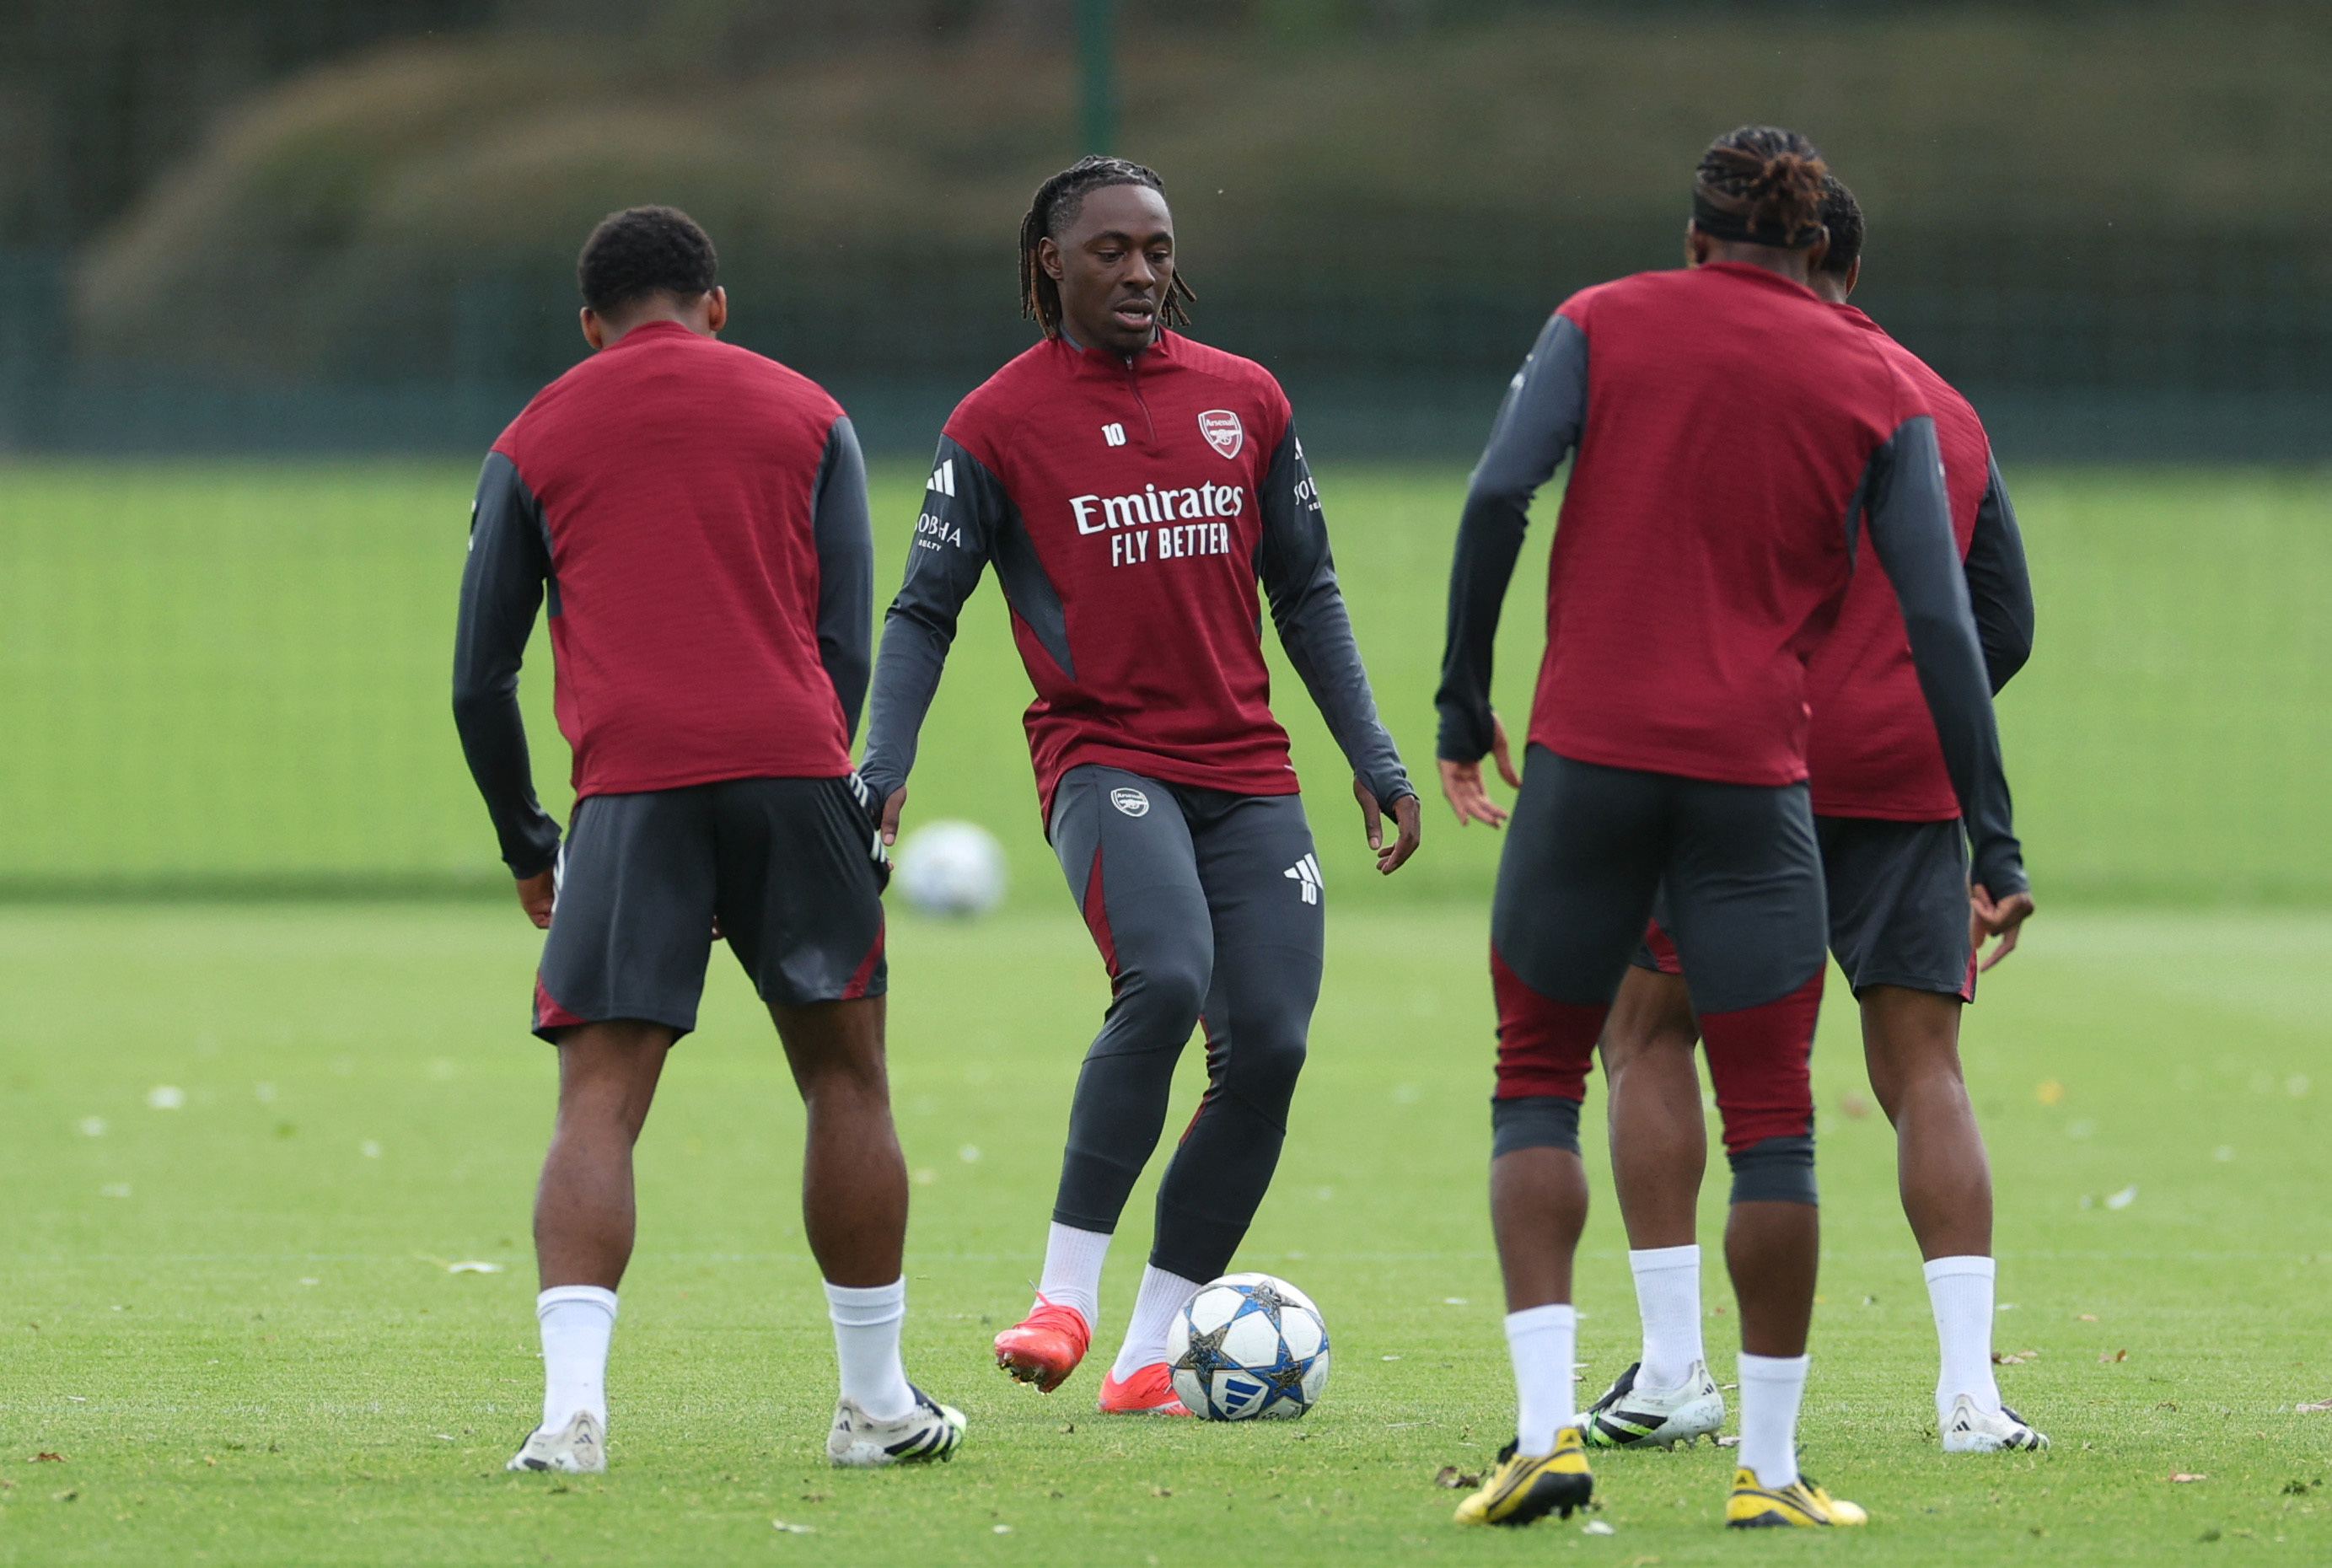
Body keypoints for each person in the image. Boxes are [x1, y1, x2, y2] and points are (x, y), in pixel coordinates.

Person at [1434, 127, 2023, 1529]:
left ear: (1694, 236)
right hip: (1764, 778)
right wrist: (1990, 835)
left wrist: (1461, 701)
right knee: (1780, 1125)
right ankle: (1775, 1467)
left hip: (1589, 760)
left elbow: (1495, 492)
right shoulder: (1883, 382)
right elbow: (1955, 623)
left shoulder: (1601, 320)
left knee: (1545, 1076)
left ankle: (1550, 1431)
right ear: (1826, 253)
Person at [859, 155, 1421, 1417]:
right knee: (1163, 976)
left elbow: (1309, 591)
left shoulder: (1244, 401)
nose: (1139, 272)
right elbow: (921, 611)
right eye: (1109, 250)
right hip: (1102, 759)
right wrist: (881, 766)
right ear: (1047, 262)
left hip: (1247, 772)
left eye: (1157, 249)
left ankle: (1150, 1354)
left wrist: (1371, 754)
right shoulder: (995, 423)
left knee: (1267, 1045)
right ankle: (1063, 1297)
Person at [452, 205, 963, 1474]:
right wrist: (816, 789)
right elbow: (848, 632)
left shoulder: (533, 434)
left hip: (628, 796)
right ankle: (877, 1407)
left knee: (599, 1107)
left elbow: (478, 679)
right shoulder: (810, 414)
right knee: (845, 1082)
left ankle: (573, 1410)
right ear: (715, 305)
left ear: (591, 325)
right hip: (796, 771)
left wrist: (531, 842)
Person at [1580, 176, 2046, 1458]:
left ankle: (1675, 1371)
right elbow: (1998, 620)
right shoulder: (1939, 406)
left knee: (1645, 1028)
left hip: (1737, 767)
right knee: (1921, 1071)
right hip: (1903, 786)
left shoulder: (1725, 387)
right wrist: (1903, 715)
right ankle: (1968, 1395)